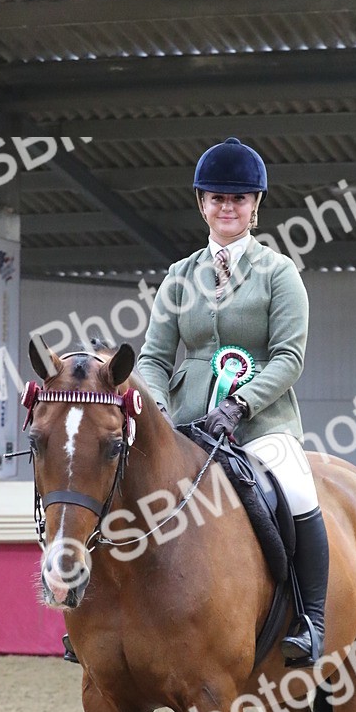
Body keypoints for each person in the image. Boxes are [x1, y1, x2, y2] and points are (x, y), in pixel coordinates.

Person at [137, 137, 329, 666]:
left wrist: (238, 406)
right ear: (202, 203)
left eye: (239, 198)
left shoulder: (279, 273)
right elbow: (153, 358)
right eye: (218, 197)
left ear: (255, 205)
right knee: (122, 482)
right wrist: (158, 410)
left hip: (261, 424)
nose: (228, 207)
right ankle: (103, 615)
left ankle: (312, 620)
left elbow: (289, 357)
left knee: (297, 489)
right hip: (186, 424)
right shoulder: (179, 277)